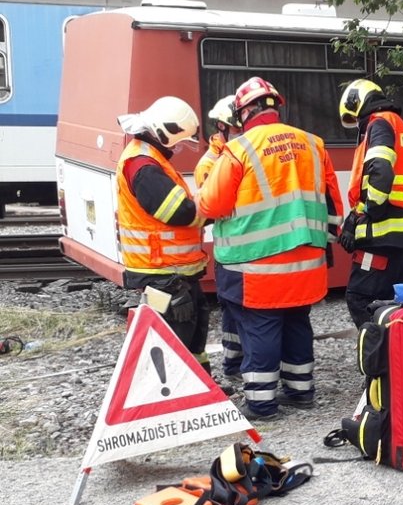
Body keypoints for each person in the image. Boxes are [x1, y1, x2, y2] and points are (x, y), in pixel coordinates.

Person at [196, 77, 344, 421]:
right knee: (296, 322)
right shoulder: (313, 143)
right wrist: (329, 240)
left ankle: (262, 403)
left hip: (256, 266)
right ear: (275, 105)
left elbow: (212, 204)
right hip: (307, 261)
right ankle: (300, 390)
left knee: (261, 327)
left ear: (245, 111)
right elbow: (332, 199)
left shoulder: (240, 149)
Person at [115, 96, 210, 371]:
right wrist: (211, 208)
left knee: (193, 332)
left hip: (173, 273)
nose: (180, 148)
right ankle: (177, 401)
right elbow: (178, 212)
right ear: (164, 133)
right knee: (175, 336)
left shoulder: (149, 158)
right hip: (164, 275)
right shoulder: (144, 166)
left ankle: (201, 390)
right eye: (179, 142)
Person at [337, 79, 403, 328]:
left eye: (355, 119)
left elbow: (380, 170)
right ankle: (398, 359)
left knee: (360, 298)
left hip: (380, 238)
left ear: (356, 103)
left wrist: (370, 213)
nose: (358, 126)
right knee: (393, 302)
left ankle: (379, 358)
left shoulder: (379, 124)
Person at [194, 95, 243, 383]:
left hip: (244, 247)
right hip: (230, 248)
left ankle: (238, 362)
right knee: (232, 311)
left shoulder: (239, 154)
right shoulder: (210, 164)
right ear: (223, 127)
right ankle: (234, 365)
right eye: (237, 128)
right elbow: (211, 209)